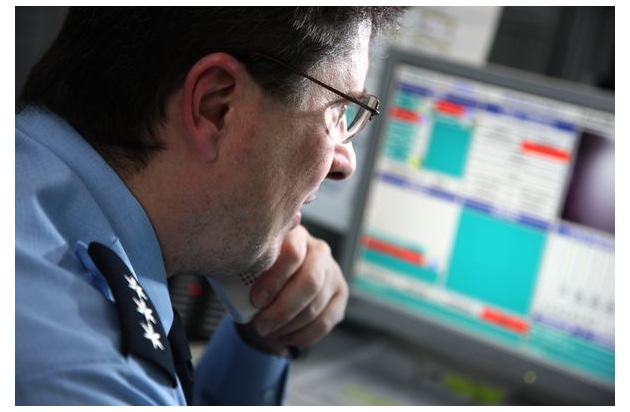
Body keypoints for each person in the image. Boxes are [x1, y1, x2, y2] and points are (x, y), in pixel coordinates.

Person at [15, 6, 403, 406]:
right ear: (216, 106)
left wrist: (261, 336)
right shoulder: (96, 381)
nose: (345, 164)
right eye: (338, 111)